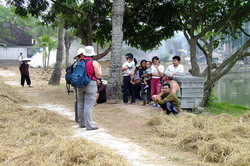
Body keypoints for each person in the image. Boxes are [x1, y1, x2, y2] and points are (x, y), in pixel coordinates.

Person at [76, 46, 102, 131]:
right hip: (90, 83)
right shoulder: (93, 62)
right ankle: (89, 124)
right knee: (88, 105)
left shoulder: (79, 62)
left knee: (80, 104)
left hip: (79, 84)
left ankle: (81, 123)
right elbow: (98, 75)